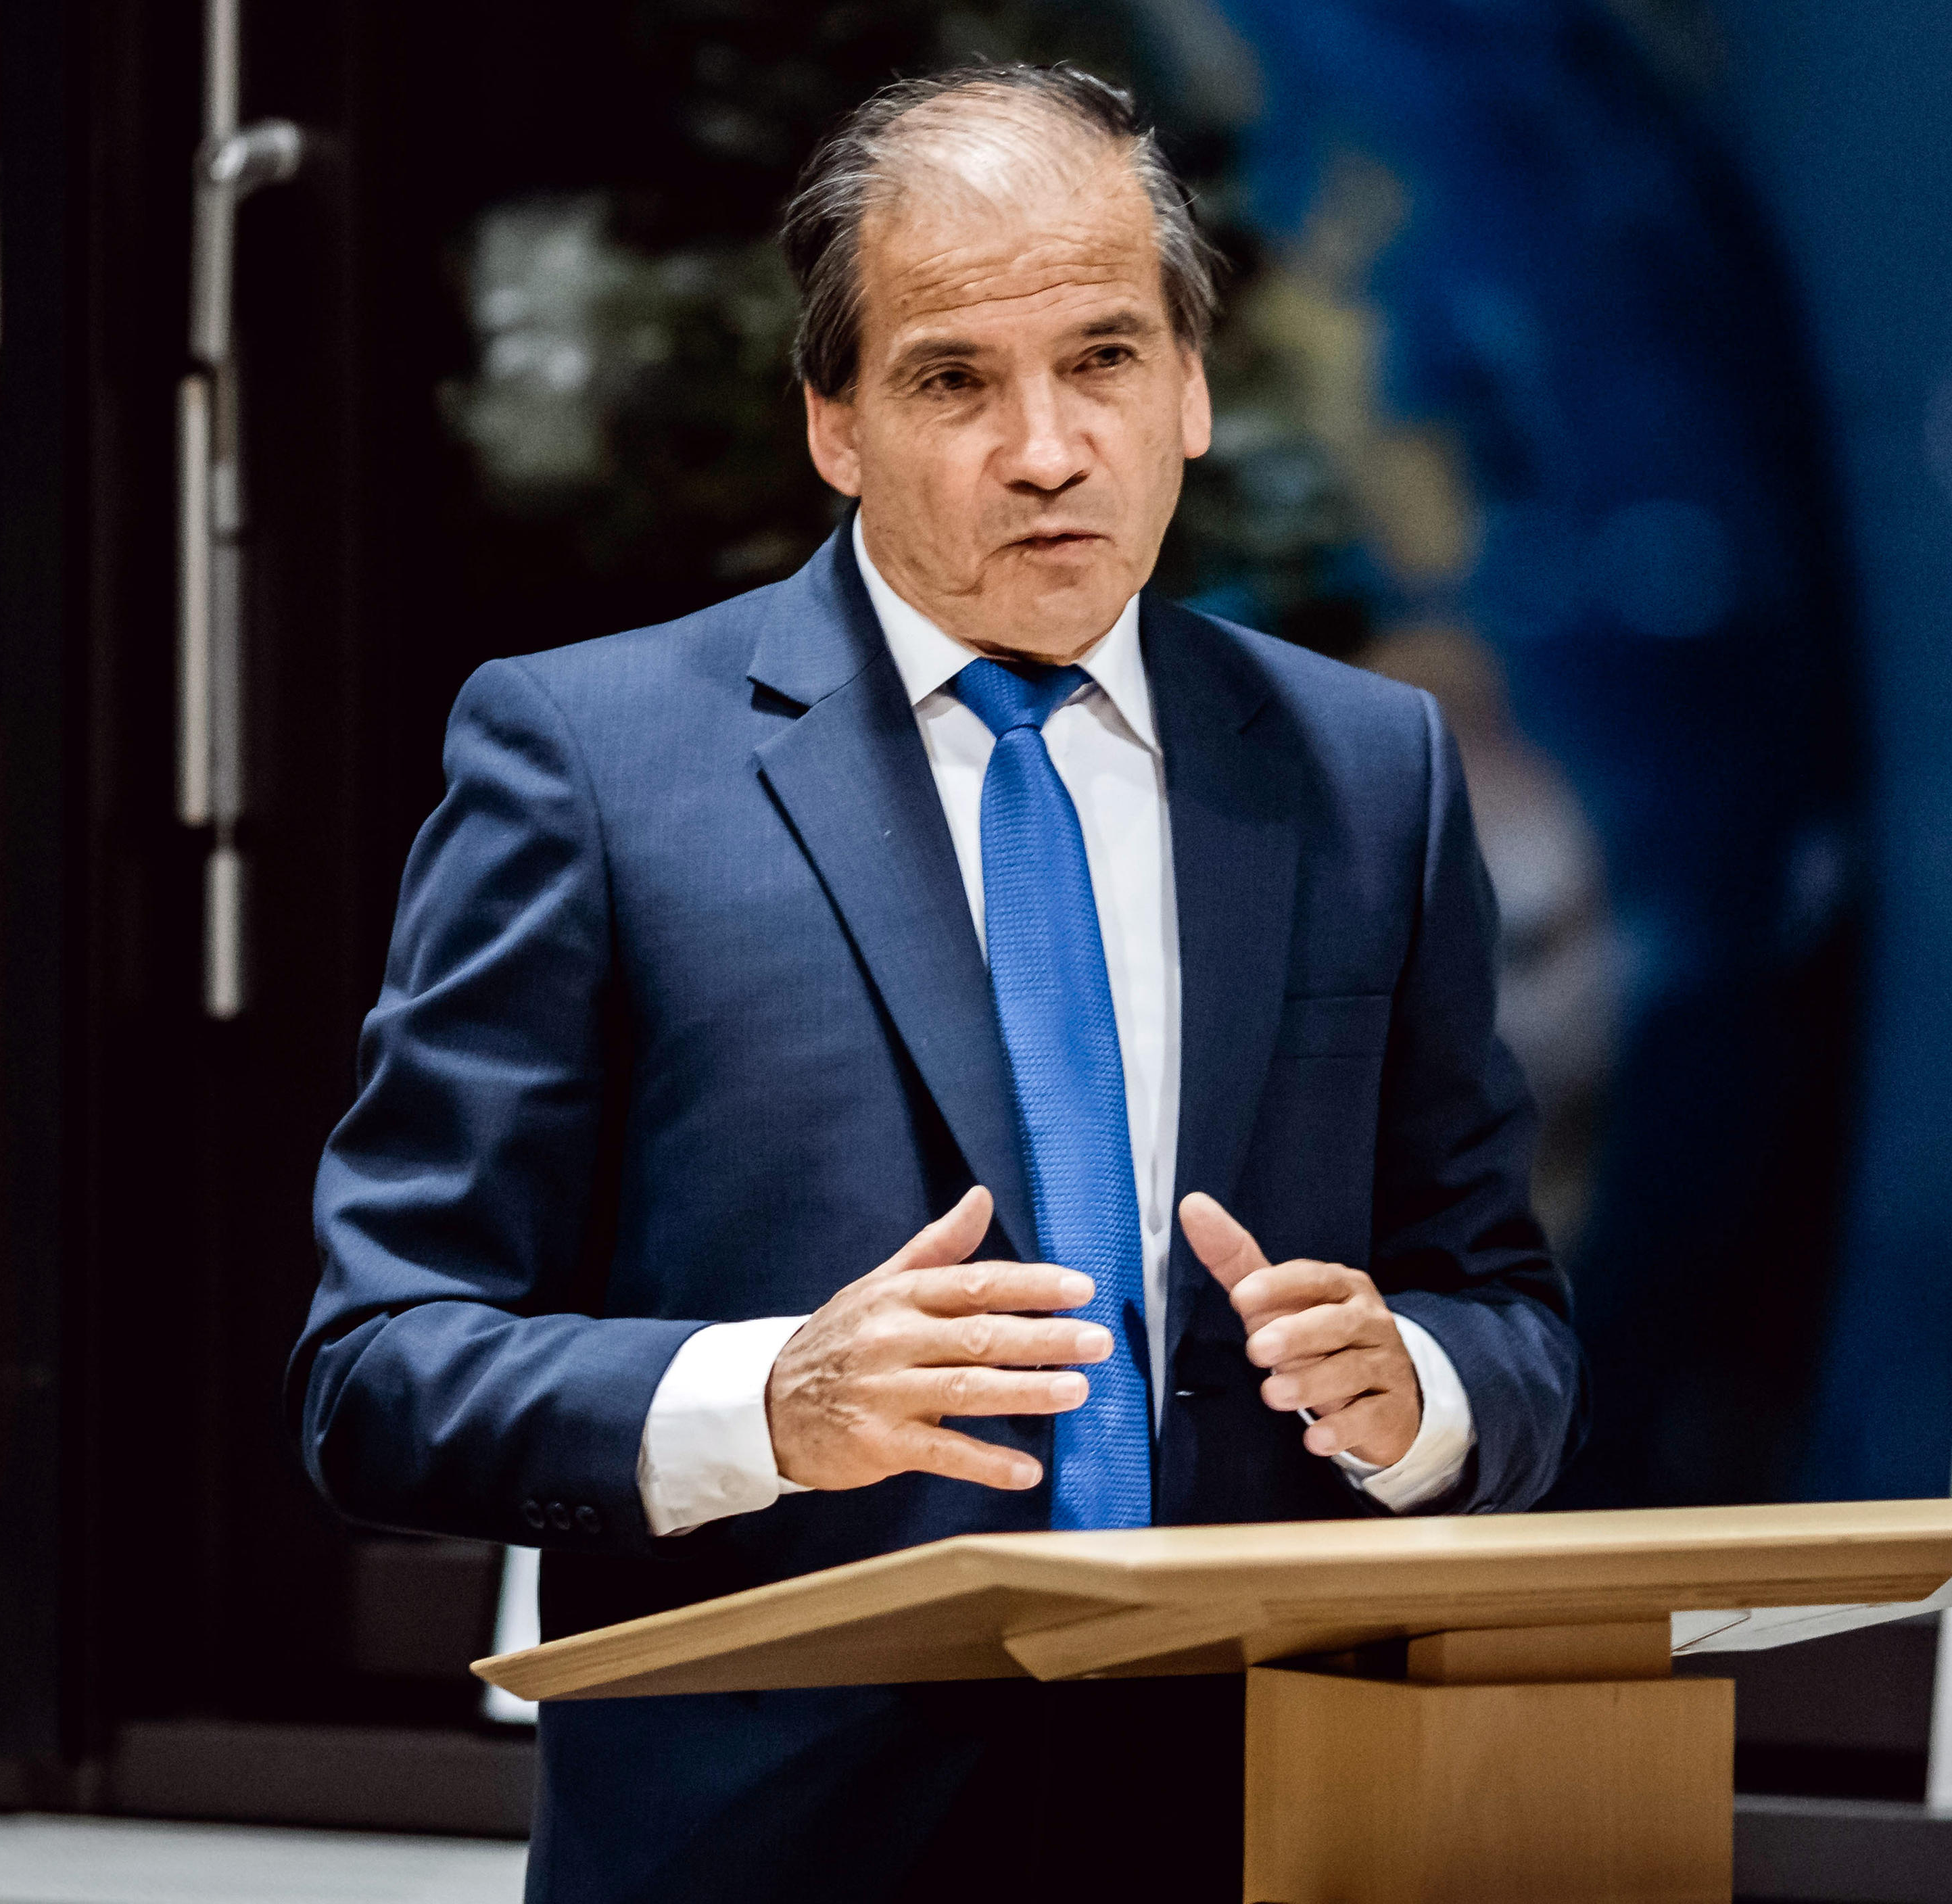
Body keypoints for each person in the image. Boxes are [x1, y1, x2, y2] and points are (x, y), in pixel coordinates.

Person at [288, 62, 1583, 1903]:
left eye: (1107, 360)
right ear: (833, 422)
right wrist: (768, 1401)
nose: (1047, 447)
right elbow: (378, 1374)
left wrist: (1420, 1395)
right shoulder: (588, 760)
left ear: (1195, 386)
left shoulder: (1372, 772)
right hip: (783, 1833)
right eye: (954, 380)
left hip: (1282, 1814)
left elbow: (1509, 1317)